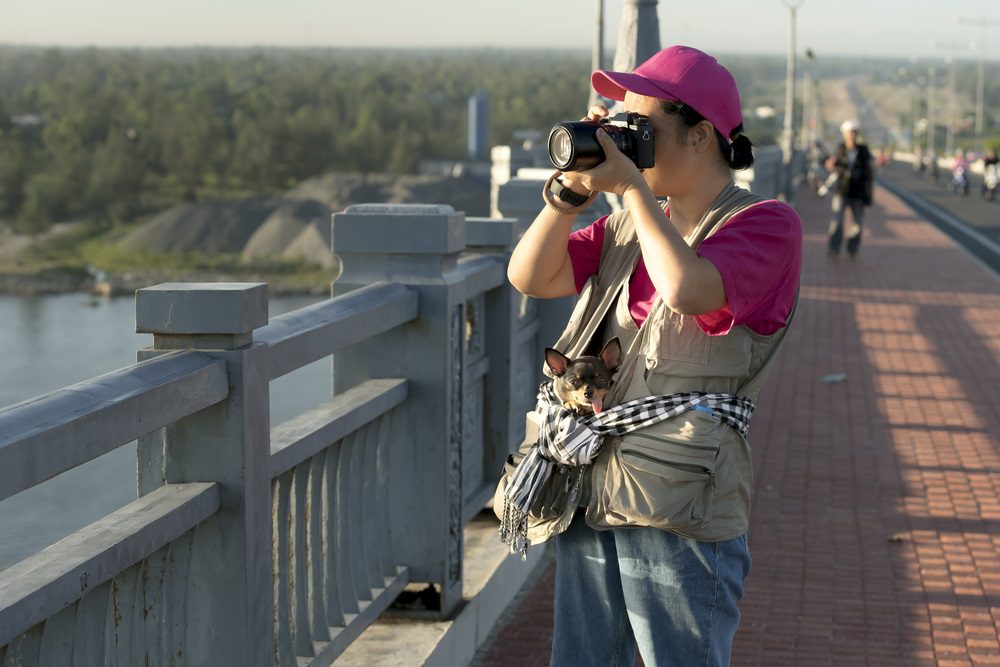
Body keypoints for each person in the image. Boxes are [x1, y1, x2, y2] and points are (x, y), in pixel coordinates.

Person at [499, 45, 802, 666]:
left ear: (699, 136)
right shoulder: (625, 230)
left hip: (680, 499)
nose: (623, 141)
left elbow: (689, 288)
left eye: (638, 130)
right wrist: (568, 197)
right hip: (590, 483)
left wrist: (632, 187)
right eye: (616, 127)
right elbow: (531, 276)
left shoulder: (766, 224)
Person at [823, 120, 874, 257]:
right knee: (837, 222)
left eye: (853, 132)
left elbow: (870, 172)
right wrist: (831, 165)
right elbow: (830, 164)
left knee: (857, 224)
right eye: (848, 133)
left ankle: (852, 247)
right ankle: (834, 248)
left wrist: (868, 193)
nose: (851, 135)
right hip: (841, 190)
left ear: (856, 134)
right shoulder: (840, 149)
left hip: (858, 192)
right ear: (843, 134)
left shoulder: (863, 150)